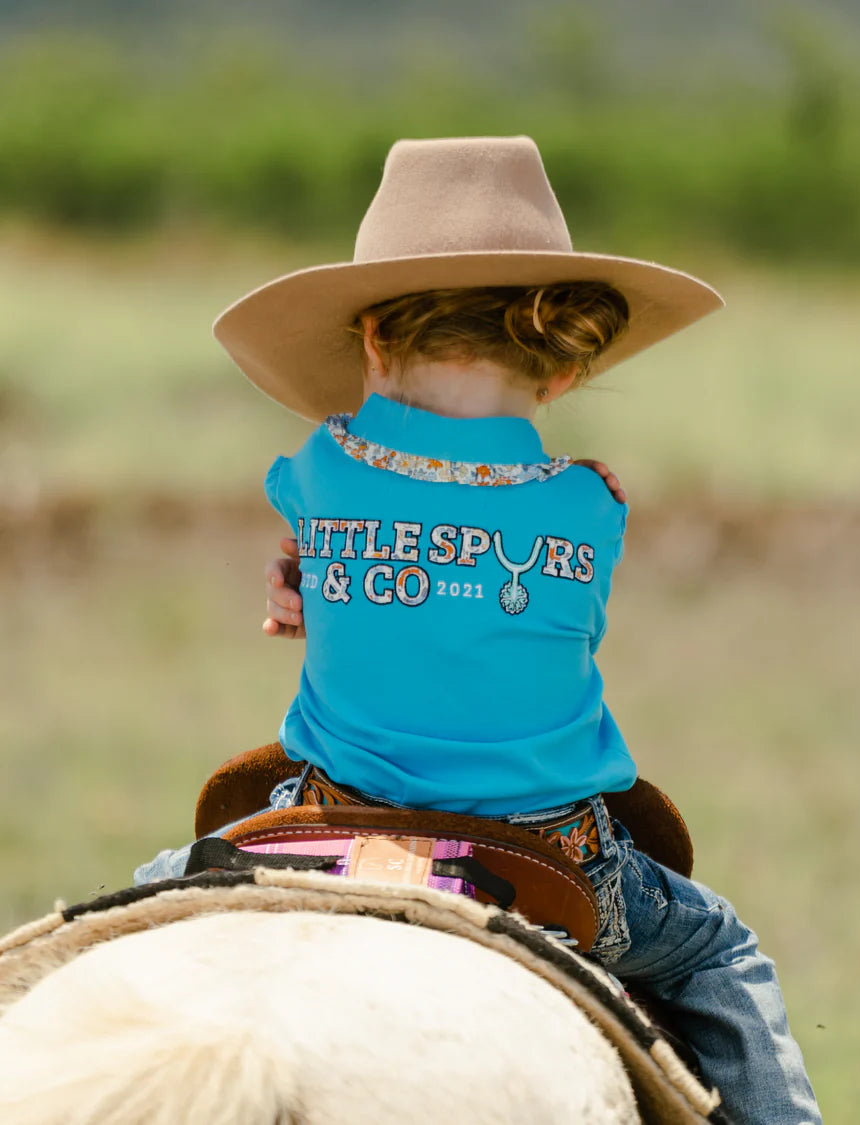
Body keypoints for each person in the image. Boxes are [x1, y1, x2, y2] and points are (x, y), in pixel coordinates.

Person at [136, 136, 820, 1124]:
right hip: (551, 856)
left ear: (370, 342)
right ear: (562, 370)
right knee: (720, 950)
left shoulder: (319, 467)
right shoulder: (592, 505)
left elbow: (320, 540)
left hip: (332, 828)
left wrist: (306, 577)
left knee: (135, 906)